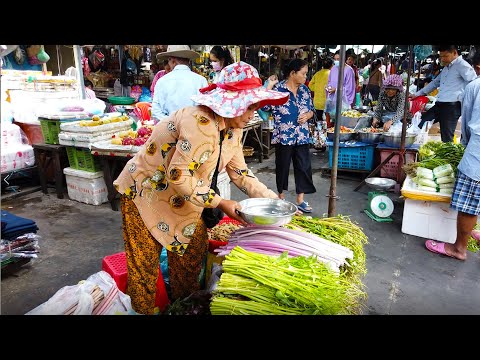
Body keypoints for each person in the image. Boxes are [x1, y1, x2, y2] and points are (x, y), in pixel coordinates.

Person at [113, 61, 289, 314]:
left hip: (184, 196)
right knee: (145, 266)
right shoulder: (200, 123)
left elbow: (240, 173)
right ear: (233, 103)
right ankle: (142, 309)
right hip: (145, 192)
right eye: (250, 106)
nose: (254, 112)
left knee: (190, 256)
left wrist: (274, 204)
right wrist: (221, 203)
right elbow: (178, 174)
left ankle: (183, 308)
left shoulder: (233, 130)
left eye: (257, 106)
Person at [425, 51, 480, 260]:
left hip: (478, 151)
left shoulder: (475, 86)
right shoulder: (447, 70)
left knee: (470, 201)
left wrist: (466, 145)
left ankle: (458, 248)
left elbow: (466, 122)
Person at [263, 58, 317, 213]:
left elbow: (312, 109)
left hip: (302, 136)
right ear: (293, 73)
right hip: (284, 136)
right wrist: (269, 86)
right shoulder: (278, 90)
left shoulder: (305, 91)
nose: (306, 77)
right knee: (283, 167)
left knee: (303, 166)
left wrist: (307, 115)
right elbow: (264, 106)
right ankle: (281, 197)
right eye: (303, 73)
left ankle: (300, 200)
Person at [411, 45, 477, 142]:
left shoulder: (462, 65)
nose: (442, 59)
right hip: (440, 104)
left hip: (452, 106)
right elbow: (435, 82)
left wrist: (463, 98)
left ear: (454, 53)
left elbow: (473, 83)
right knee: (422, 122)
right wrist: (417, 94)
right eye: (441, 57)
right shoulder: (447, 67)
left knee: (446, 136)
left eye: (445, 56)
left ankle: (449, 156)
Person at [151, 45, 208, 121]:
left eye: (168, 61)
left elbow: (156, 112)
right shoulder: (201, 80)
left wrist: (172, 124)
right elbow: (206, 110)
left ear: (173, 61)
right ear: (188, 61)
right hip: (194, 129)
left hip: (169, 129)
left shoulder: (162, 81)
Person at [308, 56, 334, 124]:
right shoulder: (332, 74)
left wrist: (317, 88)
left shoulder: (317, 74)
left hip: (317, 103)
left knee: (318, 122)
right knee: (328, 122)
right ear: (332, 65)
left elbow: (310, 85)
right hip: (328, 102)